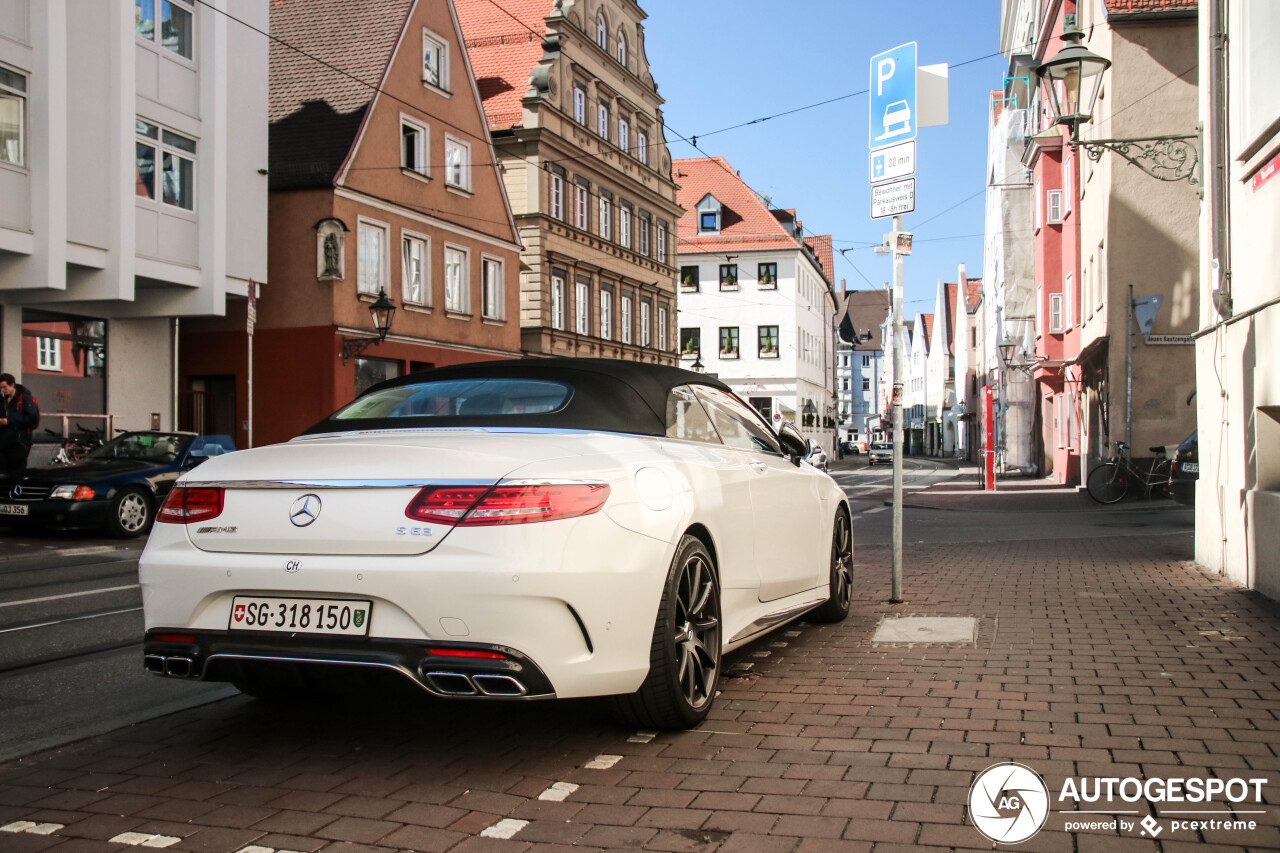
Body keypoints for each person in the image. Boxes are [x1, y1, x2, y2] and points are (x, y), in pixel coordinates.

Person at [0, 373, 39, 475]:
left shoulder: (24, 398)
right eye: (0, 388)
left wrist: (8, 421)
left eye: (5, 387)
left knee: (17, 473)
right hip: (4, 442)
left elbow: (32, 418)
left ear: (12, 385)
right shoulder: (3, 399)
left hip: (20, 442)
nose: (2, 390)